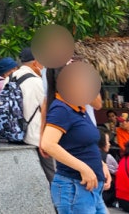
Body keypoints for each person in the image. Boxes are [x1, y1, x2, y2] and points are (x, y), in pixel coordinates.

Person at [41, 85, 109, 213]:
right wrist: (84, 168)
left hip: (89, 189)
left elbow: (81, 144)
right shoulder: (61, 108)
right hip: (74, 187)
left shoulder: (78, 109)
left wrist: (101, 164)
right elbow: (48, 144)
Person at [11, 47, 53, 182]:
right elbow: (48, 110)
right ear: (35, 63)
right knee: (53, 175)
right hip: (36, 137)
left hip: (15, 135)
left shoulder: (10, 79)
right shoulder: (36, 82)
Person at [100, 127, 118, 207]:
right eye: (107, 141)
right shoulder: (108, 157)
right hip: (108, 195)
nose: (109, 144)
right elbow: (118, 172)